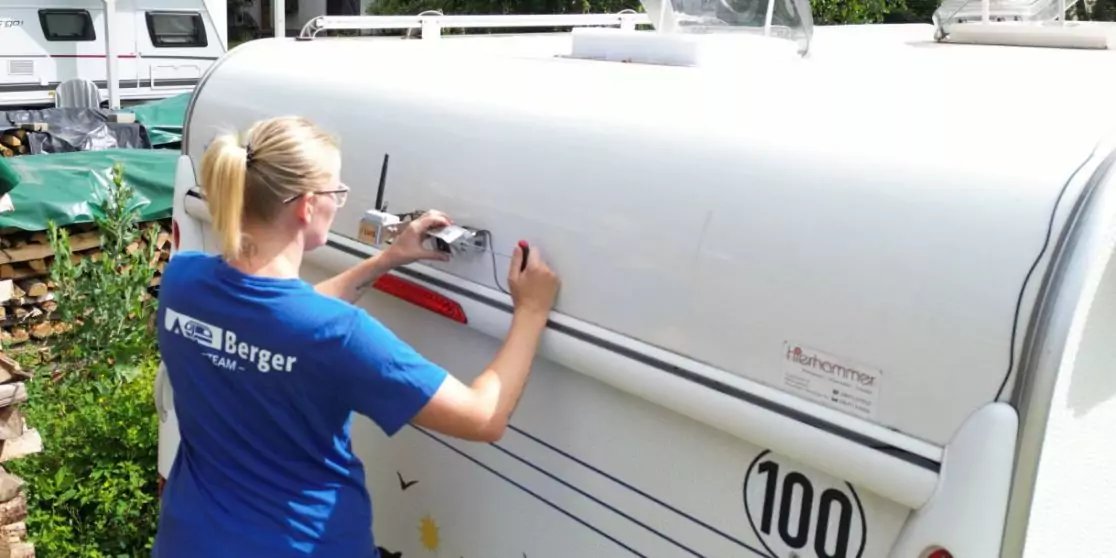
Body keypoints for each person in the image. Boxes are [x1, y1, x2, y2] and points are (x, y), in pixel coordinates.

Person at [153, 116, 560, 557]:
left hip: (188, 541)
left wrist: (387, 260)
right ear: (307, 205)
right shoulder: (338, 336)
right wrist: (531, 311)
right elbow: (483, 416)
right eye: (337, 192)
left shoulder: (183, 281)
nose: (339, 203)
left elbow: (282, 322)